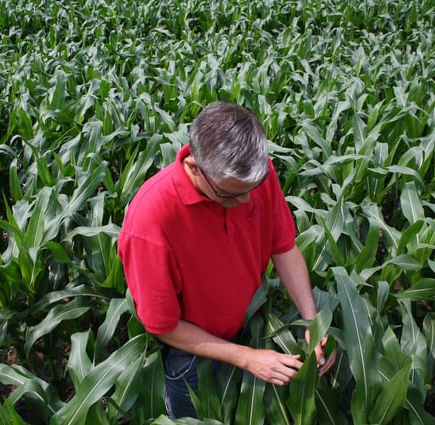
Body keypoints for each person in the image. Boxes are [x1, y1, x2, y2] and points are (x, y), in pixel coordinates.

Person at [118, 101, 336, 418]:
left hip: (248, 322)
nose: (247, 200)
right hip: (190, 351)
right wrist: (247, 358)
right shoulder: (149, 222)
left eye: (253, 188)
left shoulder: (252, 176)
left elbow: (283, 247)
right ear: (193, 166)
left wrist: (312, 322)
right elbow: (163, 326)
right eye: (231, 195)